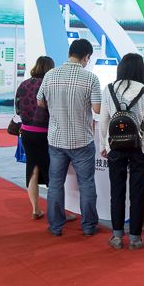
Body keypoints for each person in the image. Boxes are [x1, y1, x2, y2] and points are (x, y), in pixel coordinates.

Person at [37, 38, 102, 237]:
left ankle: (55, 226)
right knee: (86, 183)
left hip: (56, 139)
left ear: (69, 53)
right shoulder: (91, 78)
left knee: (55, 183)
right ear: (86, 57)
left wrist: (55, 106)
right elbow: (97, 109)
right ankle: (88, 226)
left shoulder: (50, 74)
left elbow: (40, 102)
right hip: (82, 140)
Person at [98, 53, 144, 250]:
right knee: (137, 192)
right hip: (139, 148)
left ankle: (117, 236)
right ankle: (135, 238)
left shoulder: (109, 89)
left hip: (115, 146)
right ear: (139, 69)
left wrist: (103, 146)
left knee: (116, 191)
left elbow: (104, 121)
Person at [15, 56, 55, 219]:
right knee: (52, 173)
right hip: (45, 133)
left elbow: (17, 109)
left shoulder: (23, 85)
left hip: (26, 133)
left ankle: (35, 209)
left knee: (32, 168)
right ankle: (57, 212)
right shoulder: (48, 85)